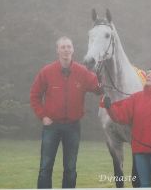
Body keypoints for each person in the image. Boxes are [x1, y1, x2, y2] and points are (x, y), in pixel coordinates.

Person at [30, 36, 102, 188]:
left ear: (73, 49)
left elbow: (98, 88)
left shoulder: (82, 72)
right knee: (45, 167)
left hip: (72, 126)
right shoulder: (47, 71)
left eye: (69, 46)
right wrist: (42, 116)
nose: (66, 50)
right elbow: (34, 95)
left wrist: (103, 78)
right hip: (52, 126)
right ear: (57, 50)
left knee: (70, 169)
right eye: (62, 47)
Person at [103, 67, 151, 187]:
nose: (149, 75)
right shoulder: (135, 98)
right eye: (148, 74)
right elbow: (120, 116)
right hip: (140, 152)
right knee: (144, 185)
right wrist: (109, 107)